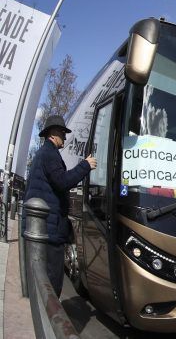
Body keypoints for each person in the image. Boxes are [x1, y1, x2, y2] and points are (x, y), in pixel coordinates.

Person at [24, 115, 97, 297]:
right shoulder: (49, 154)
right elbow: (62, 181)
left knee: (43, 278)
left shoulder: (43, 154)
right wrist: (85, 166)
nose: (65, 137)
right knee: (52, 282)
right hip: (49, 229)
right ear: (53, 133)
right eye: (63, 133)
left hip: (44, 227)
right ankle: (50, 322)